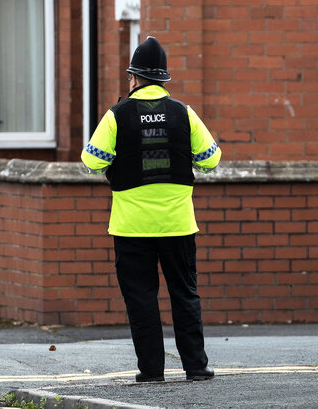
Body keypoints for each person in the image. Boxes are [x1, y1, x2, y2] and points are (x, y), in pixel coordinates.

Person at [81, 36, 221, 382]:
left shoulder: (117, 114)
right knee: (185, 295)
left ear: (134, 78)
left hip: (132, 226)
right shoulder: (183, 113)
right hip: (177, 224)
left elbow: (90, 159)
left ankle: (152, 370)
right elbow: (211, 159)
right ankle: (197, 367)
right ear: (163, 79)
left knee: (141, 299)